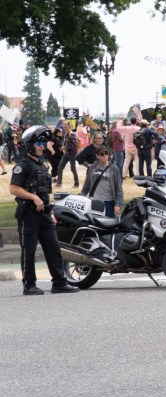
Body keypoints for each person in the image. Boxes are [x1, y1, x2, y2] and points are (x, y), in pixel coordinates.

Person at [8, 126, 79, 295]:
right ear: (30, 145)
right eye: (39, 143)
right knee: (29, 251)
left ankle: (59, 282)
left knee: (53, 248)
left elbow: (44, 191)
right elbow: (13, 188)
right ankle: (29, 285)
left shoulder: (42, 165)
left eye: (44, 143)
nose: (42, 146)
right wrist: (33, 197)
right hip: (29, 214)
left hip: (45, 214)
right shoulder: (23, 165)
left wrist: (49, 207)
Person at [80, 145, 123, 218]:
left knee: (108, 224)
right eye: (102, 154)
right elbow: (87, 185)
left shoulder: (114, 169)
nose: (105, 156)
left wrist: (118, 204)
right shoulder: (93, 167)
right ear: (97, 156)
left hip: (109, 202)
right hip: (94, 201)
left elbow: (119, 188)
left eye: (106, 153)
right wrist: (81, 197)